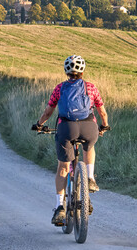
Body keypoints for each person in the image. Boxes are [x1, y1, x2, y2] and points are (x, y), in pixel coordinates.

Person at [32, 55, 110, 226]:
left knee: (63, 166)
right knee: (89, 148)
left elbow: (48, 112)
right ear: (82, 71)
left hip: (66, 128)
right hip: (88, 127)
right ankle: (89, 178)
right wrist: (104, 126)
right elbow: (102, 112)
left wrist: (39, 125)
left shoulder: (59, 88)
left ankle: (60, 206)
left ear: (66, 71)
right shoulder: (91, 87)